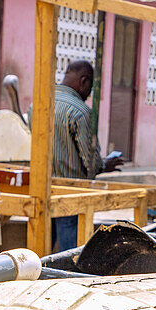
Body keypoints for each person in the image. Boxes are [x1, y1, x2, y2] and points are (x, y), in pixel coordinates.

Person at [51, 60, 121, 250]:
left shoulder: (39, 103)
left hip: (43, 189)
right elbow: (90, 162)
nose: (89, 94)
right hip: (71, 192)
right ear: (84, 81)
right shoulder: (81, 112)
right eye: (91, 87)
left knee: (42, 250)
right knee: (69, 253)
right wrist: (104, 164)